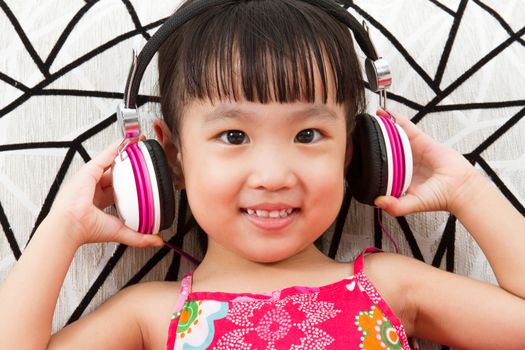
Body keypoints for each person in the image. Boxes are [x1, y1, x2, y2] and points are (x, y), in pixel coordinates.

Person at [1, 0, 525, 349]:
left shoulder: (388, 285)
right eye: (233, 137)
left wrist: (467, 191)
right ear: (172, 158)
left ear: (356, 153)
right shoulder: (149, 315)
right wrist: (63, 227)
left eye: (308, 136)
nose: (274, 175)